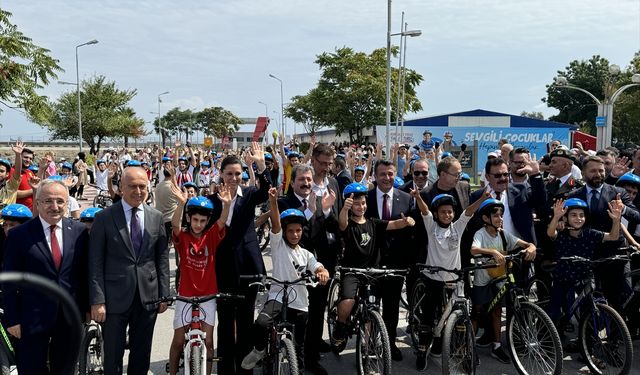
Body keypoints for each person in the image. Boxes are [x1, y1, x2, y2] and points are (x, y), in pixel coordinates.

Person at [88, 166, 170, 375]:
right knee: (113, 356)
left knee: (141, 355)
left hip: (147, 297)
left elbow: (161, 258)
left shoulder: (156, 217)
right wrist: (97, 300)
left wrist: (164, 295)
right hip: (114, 299)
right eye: (132, 186)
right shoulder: (104, 217)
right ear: (121, 187)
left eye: (143, 186)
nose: (138, 191)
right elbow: (95, 261)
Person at [3, 178, 89, 374]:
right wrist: (12, 319)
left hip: (69, 318)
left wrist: (86, 307)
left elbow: (84, 273)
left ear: (67, 204)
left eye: (60, 201)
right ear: (37, 203)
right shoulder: (19, 235)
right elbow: (9, 280)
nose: (55, 206)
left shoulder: (79, 232)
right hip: (30, 318)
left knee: (65, 370)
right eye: (48, 201)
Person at [242, 188, 329, 372]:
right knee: (261, 324)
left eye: (298, 231)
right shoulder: (278, 245)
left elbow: (317, 266)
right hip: (277, 298)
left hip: (299, 303)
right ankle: (259, 350)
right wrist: (273, 202)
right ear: (284, 232)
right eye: (290, 231)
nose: (295, 234)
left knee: (298, 348)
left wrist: (322, 271)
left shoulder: (305, 254)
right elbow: (275, 223)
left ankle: (298, 368)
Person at [206, 142, 271, 375]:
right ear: (221, 175)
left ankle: (245, 371)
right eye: (229, 174)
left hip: (247, 267)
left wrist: (261, 166)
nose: (234, 178)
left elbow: (266, 191)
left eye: (238, 174)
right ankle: (225, 369)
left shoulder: (250, 194)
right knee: (225, 323)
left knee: (245, 321)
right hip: (222, 268)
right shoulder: (212, 201)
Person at [410, 190, 490, 370]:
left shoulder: (458, 227)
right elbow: (424, 212)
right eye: (443, 212)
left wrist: (482, 199)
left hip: (455, 279)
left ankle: (462, 351)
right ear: (437, 214)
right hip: (433, 278)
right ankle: (422, 351)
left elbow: (468, 212)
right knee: (429, 317)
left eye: (450, 212)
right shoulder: (432, 227)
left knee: (461, 318)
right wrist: (418, 197)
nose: (447, 215)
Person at [332, 183, 415, 348]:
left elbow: (393, 224)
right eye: (356, 203)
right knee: (348, 300)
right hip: (352, 272)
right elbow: (342, 224)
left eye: (363, 203)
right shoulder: (348, 223)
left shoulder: (373, 222)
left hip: (372, 272)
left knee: (372, 307)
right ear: (349, 205)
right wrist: (343, 209)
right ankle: (340, 325)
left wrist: (406, 222)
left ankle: (367, 344)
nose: (360, 206)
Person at [168, 185, 232, 375]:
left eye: (202, 221)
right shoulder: (184, 237)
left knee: (209, 342)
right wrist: (181, 204)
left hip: (208, 296)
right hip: (185, 295)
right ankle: (172, 372)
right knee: (179, 341)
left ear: (207, 221)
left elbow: (221, 221)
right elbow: (174, 226)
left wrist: (227, 205)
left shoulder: (210, 236)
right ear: (189, 218)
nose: (198, 224)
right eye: (195, 219)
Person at [470, 199, 536, 364]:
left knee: (497, 311)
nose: (500, 218)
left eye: (501, 215)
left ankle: (497, 346)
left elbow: (523, 243)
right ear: (486, 218)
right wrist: (492, 251)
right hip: (483, 278)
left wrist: (531, 247)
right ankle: (468, 345)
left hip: (500, 277)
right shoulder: (480, 234)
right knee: (477, 313)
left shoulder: (502, 233)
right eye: (495, 215)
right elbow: (473, 249)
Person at [546, 198, 622, 328]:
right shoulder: (562, 233)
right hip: (563, 276)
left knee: (589, 307)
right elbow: (550, 233)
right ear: (565, 218)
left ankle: (586, 340)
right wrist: (556, 217)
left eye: (582, 215)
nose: (578, 219)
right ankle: (547, 335)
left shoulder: (590, 233)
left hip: (584, 276)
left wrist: (616, 220)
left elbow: (613, 236)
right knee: (553, 311)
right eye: (573, 215)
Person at [364, 159, 413, 361]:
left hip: (396, 262)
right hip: (370, 261)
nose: (387, 178)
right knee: (370, 304)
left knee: (392, 306)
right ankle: (368, 344)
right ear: (375, 176)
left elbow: (411, 230)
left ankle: (390, 343)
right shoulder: (364, 198)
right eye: (382, 174)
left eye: (390, 173)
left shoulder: (406, 198)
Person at [0, 141, 25, 207]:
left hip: (7, 217)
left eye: (1, 171)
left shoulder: (11, 185)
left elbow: (17, 173)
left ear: (7, 174)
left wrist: (18, 155)